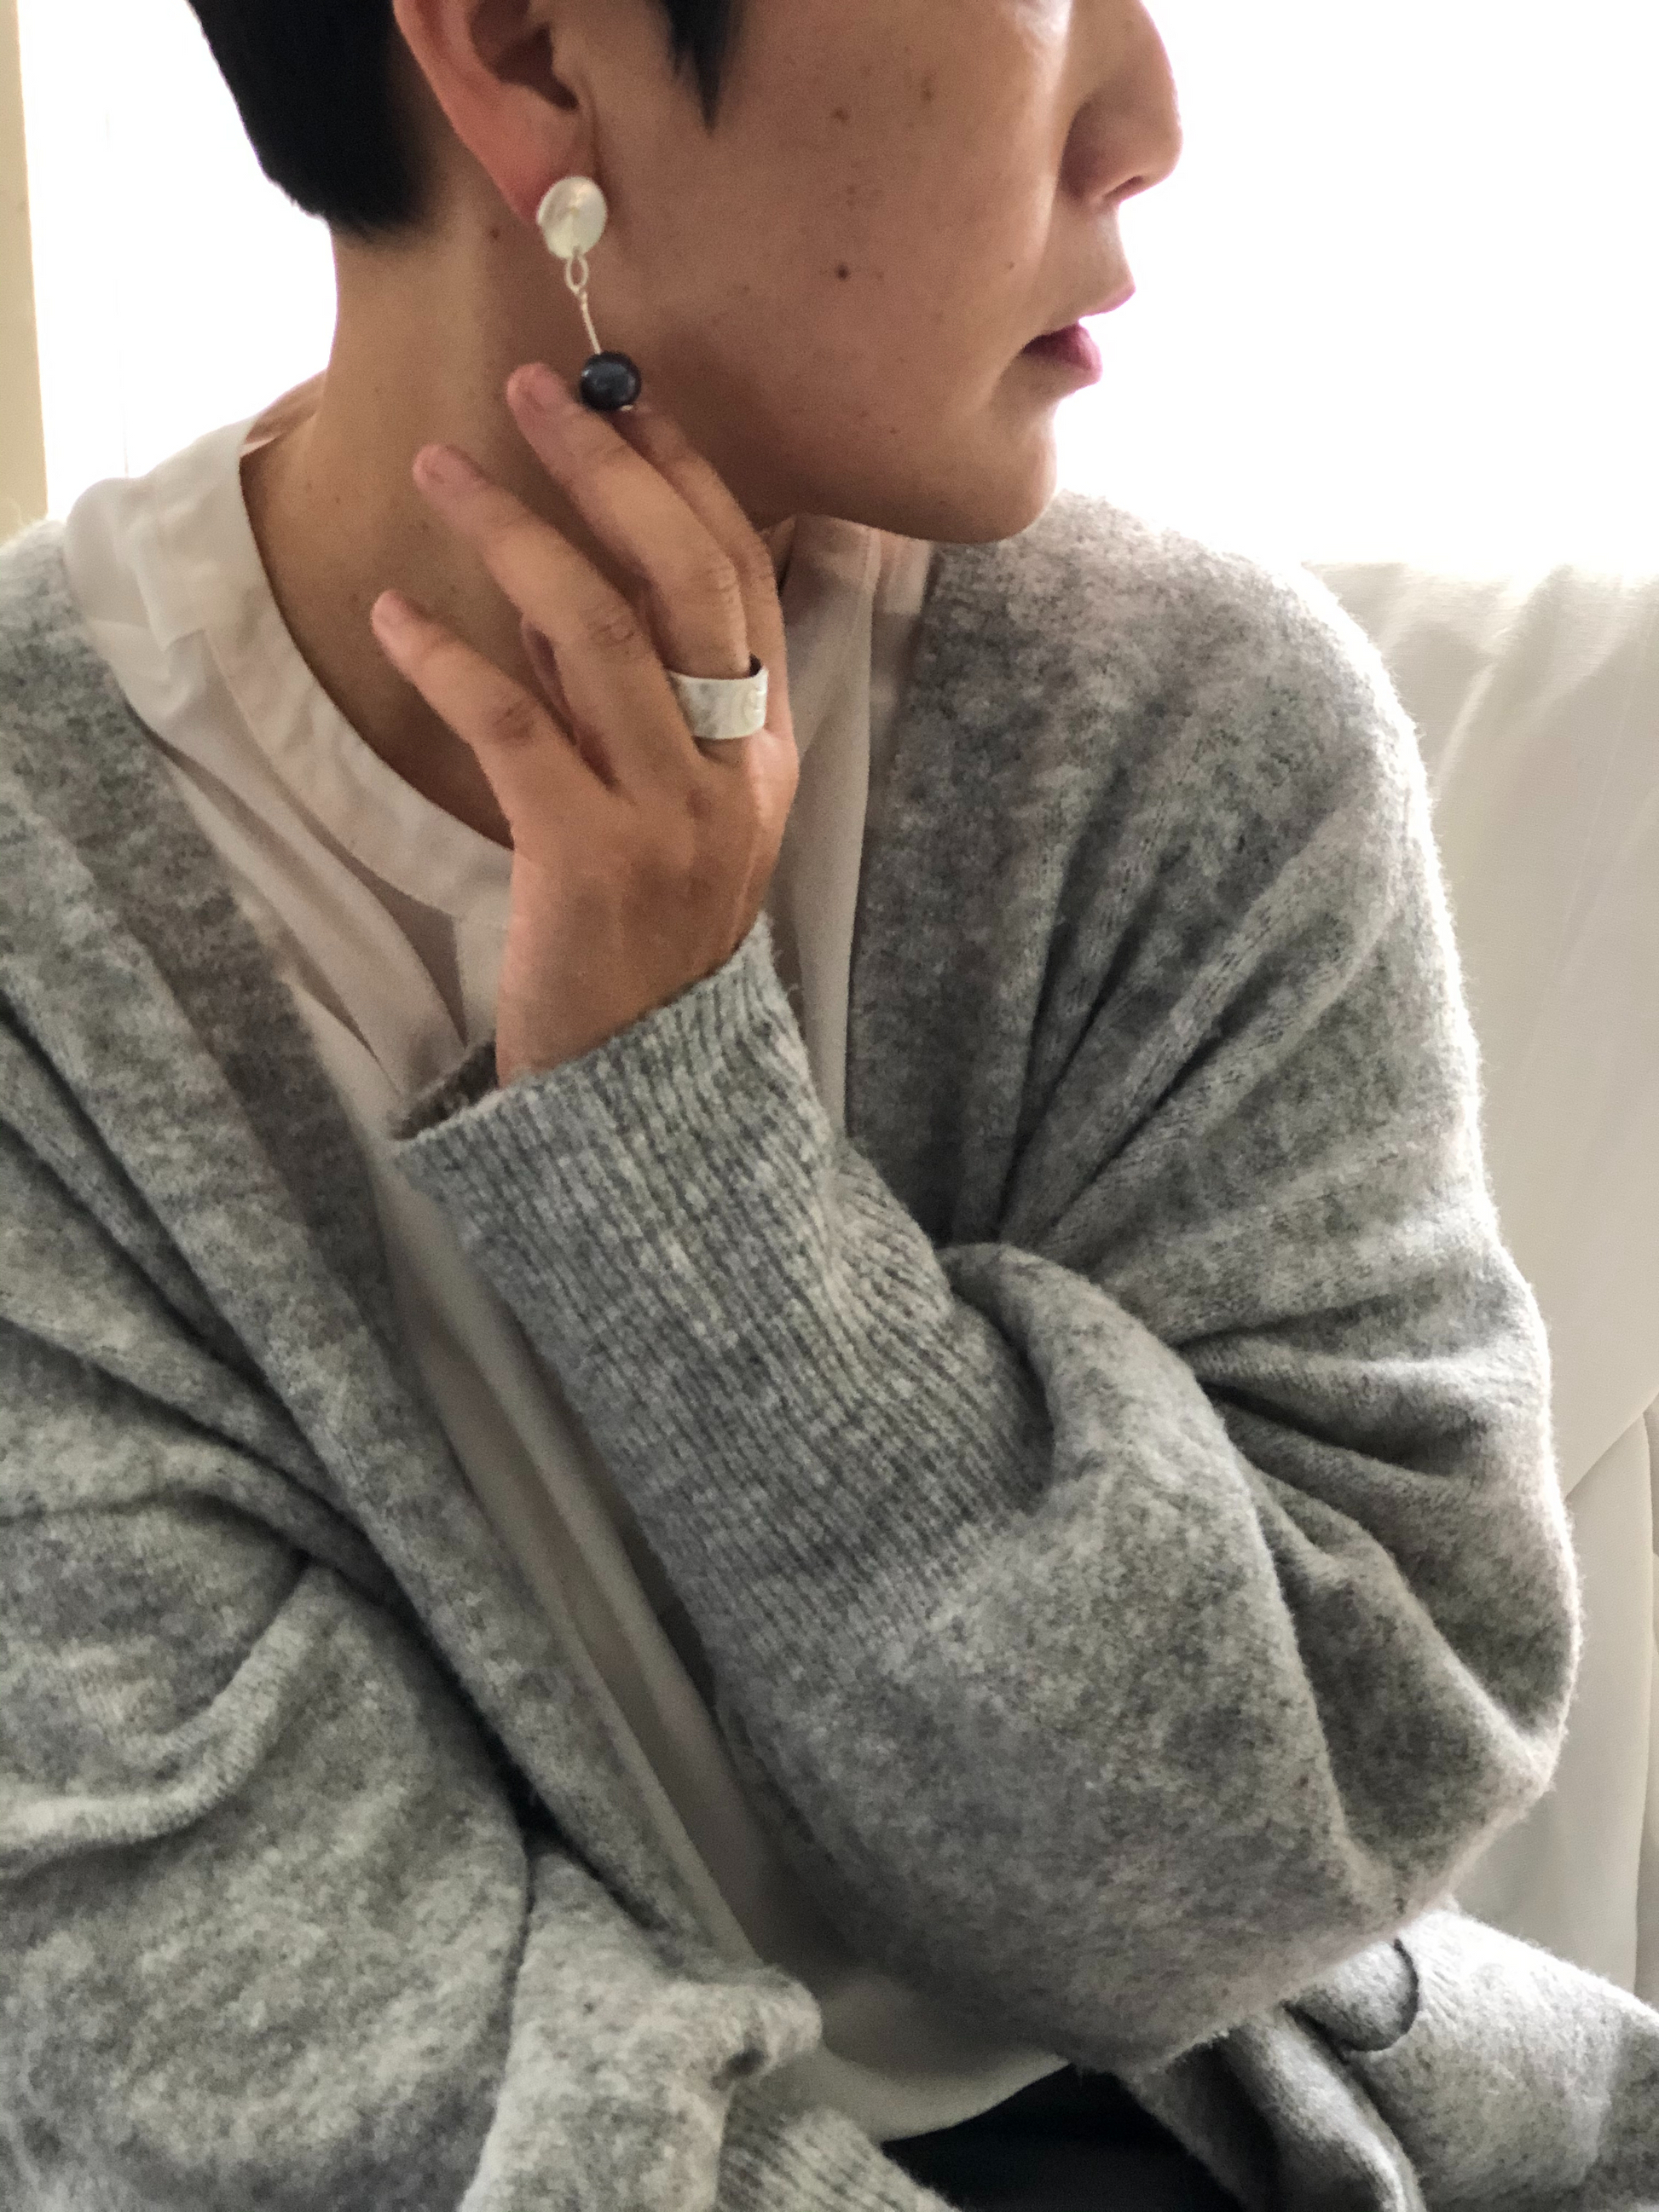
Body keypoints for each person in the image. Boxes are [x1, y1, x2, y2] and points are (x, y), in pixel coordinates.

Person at [4, 2, 1658, 2207]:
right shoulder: (39, 922)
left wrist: (670, 1132)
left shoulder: (1198, 738)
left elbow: (1278, 1859)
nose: (1147, 117)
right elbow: (259, 2064)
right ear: (530, 51)